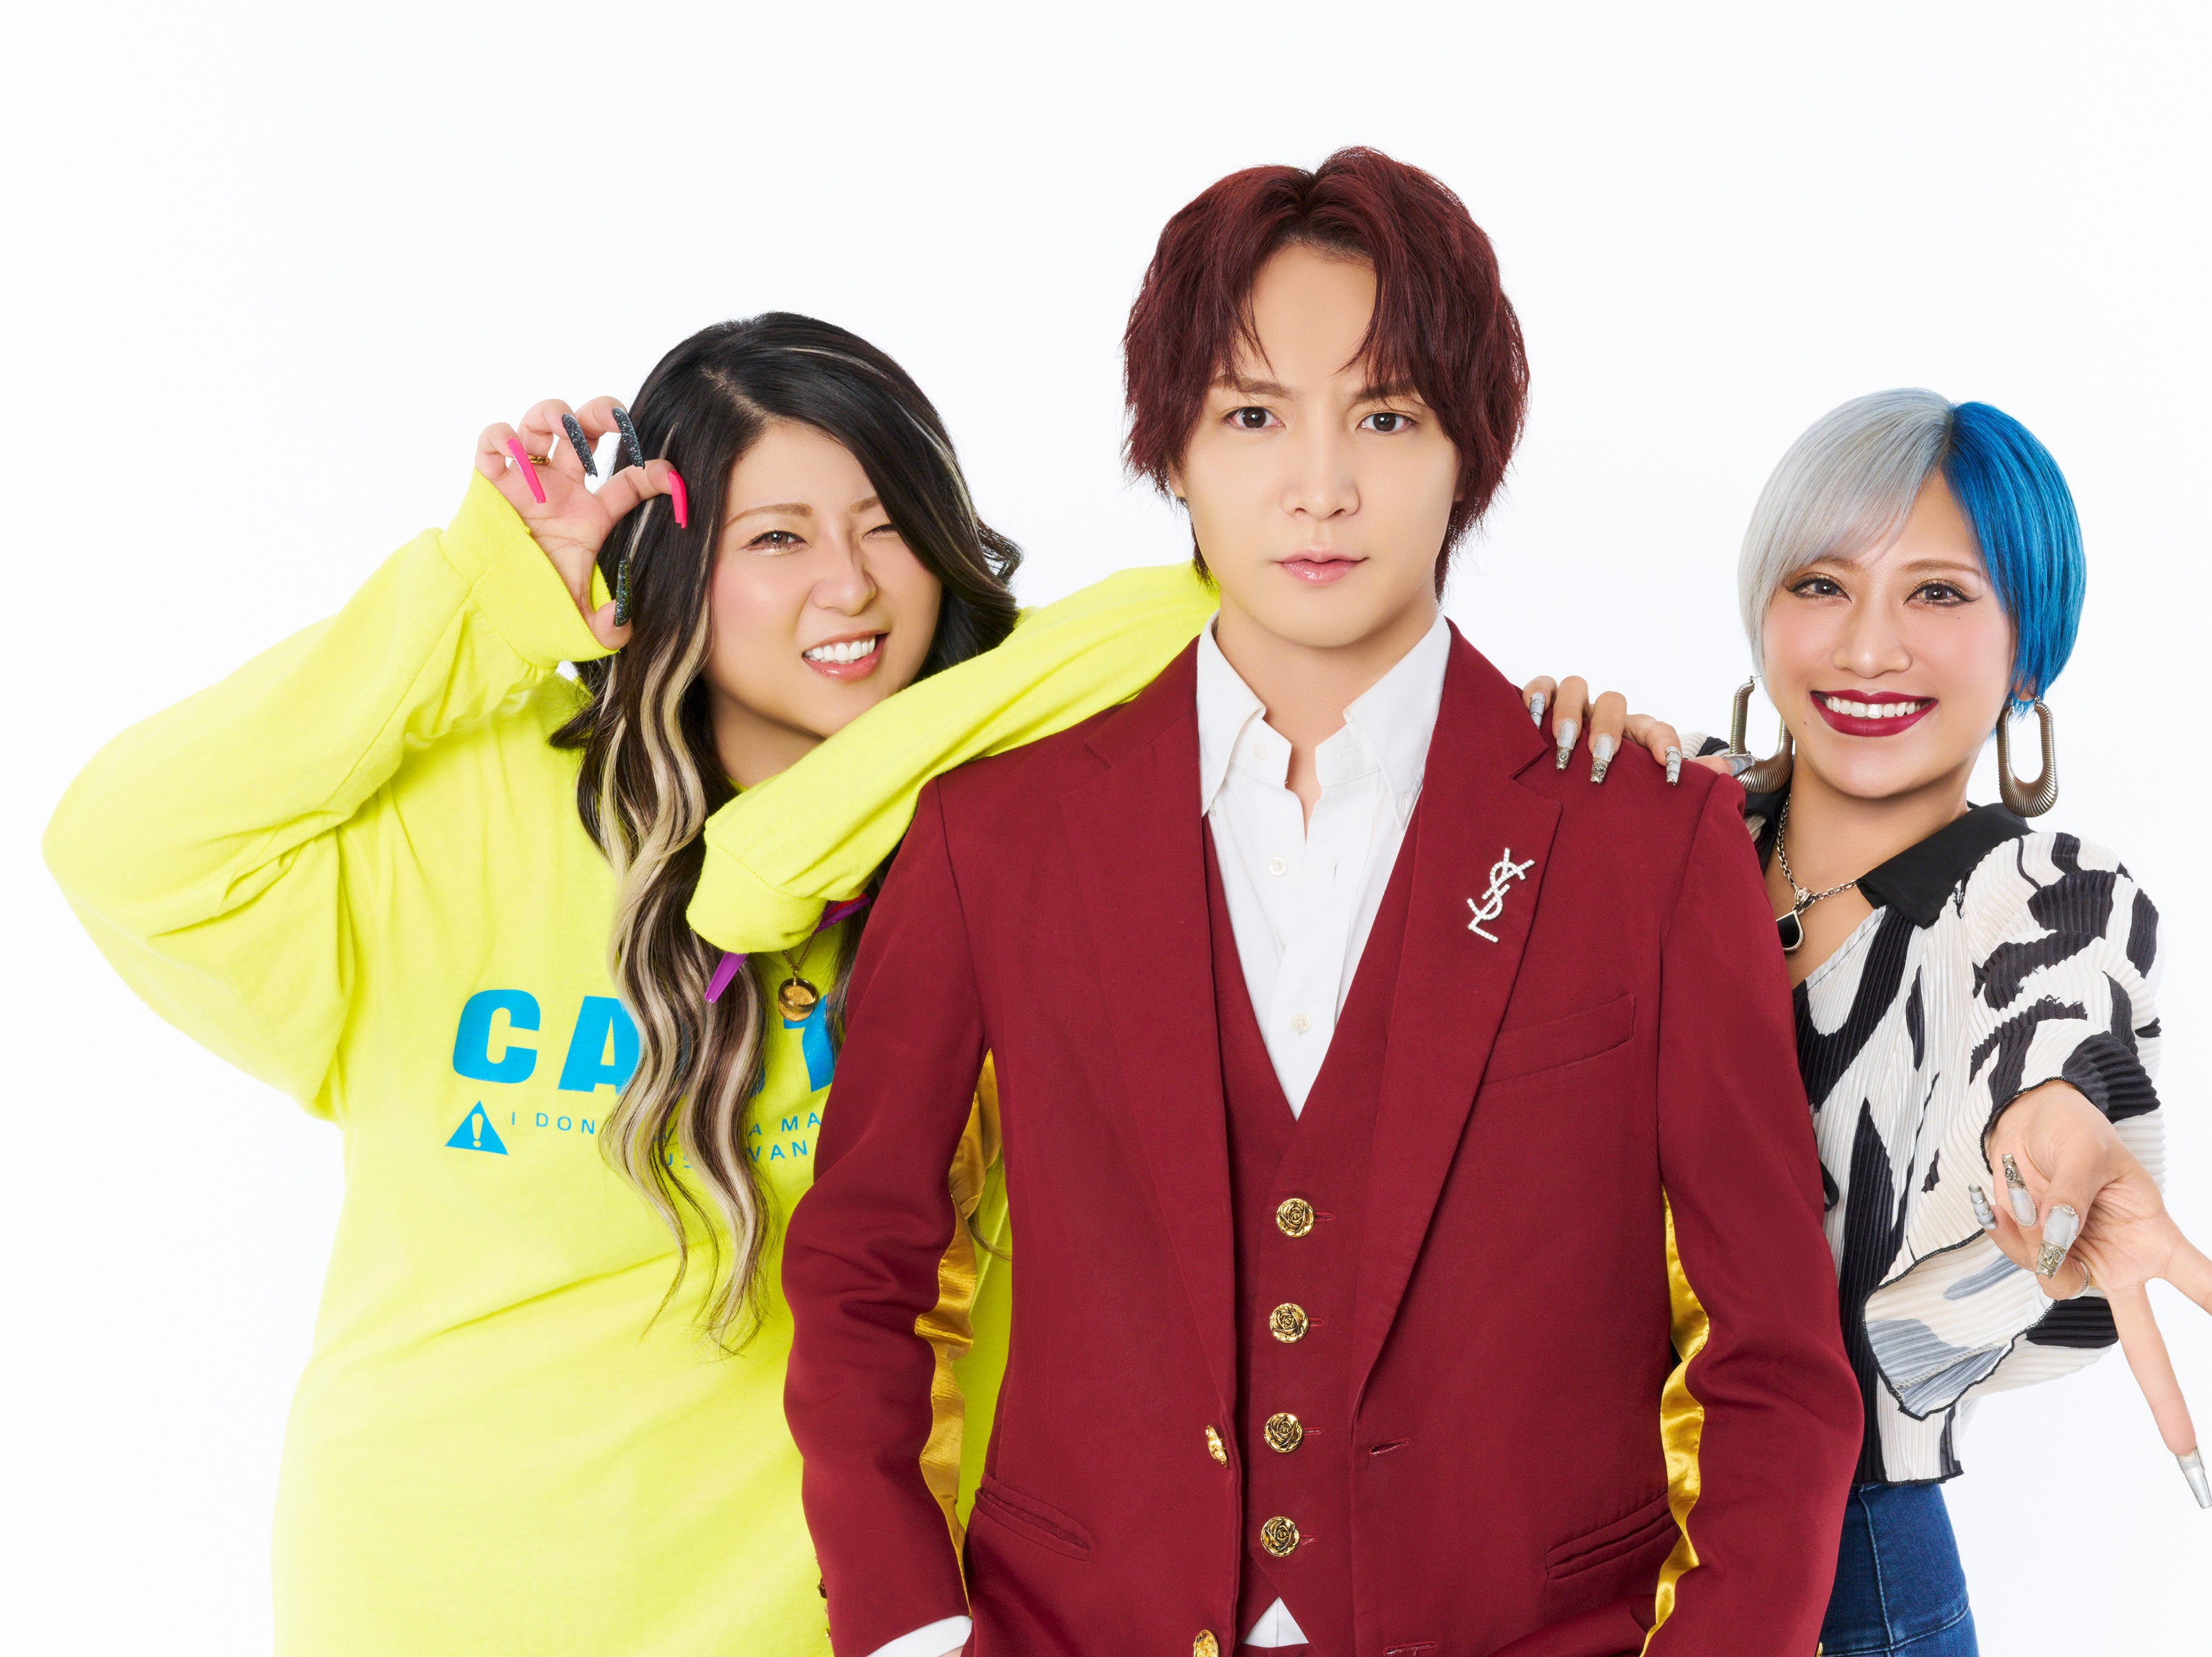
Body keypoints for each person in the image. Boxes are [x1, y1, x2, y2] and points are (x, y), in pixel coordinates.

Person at [767, 148, 1859, 1657]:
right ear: (1172, 453)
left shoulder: (1650, 845)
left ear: (1471, 452)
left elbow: (1773, 1362)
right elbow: (864, 1268)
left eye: (1387, 416)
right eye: (1254, 415)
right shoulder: (994, 839)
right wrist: (908, 1633)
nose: (1322, 486)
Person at [41, 313, 1229, 1656]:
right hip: (423, 1593)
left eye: (888, 525)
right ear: (670, 560)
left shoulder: (1006, 831)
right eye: (775, 539)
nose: (849, 586)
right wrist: (479, 597)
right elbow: (125, 847)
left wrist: (811, 826)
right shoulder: (481, 798)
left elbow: (1222, 613)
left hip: (813, 1614)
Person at [1659, 389, 2212, 1656]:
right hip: (1565, 1543)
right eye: (1821, 584)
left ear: (2030, 650)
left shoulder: (2040, 899)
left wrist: (2054, 1143)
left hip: (1840, 1572)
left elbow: (2056, 1023)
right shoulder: (1657, 826)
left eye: (1937, 594)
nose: (1869, 648)